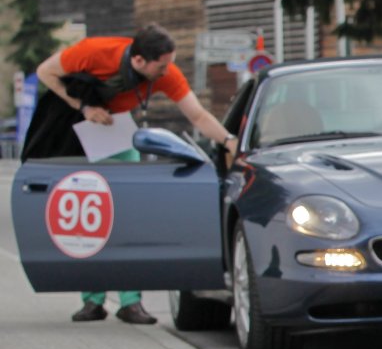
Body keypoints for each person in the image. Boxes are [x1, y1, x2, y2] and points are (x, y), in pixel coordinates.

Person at [23, 23, 237, 325]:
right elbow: (45, 71)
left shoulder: (165, 73)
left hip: (117, 133)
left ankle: (130, 302)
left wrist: (228, 140)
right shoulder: (94, 52)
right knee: (90, 218)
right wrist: (83, 107)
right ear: (138, 61)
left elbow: (198, 115)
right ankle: (92, 301)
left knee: (127, 217)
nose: (167, 71)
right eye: (161, 66)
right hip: (82, 134)